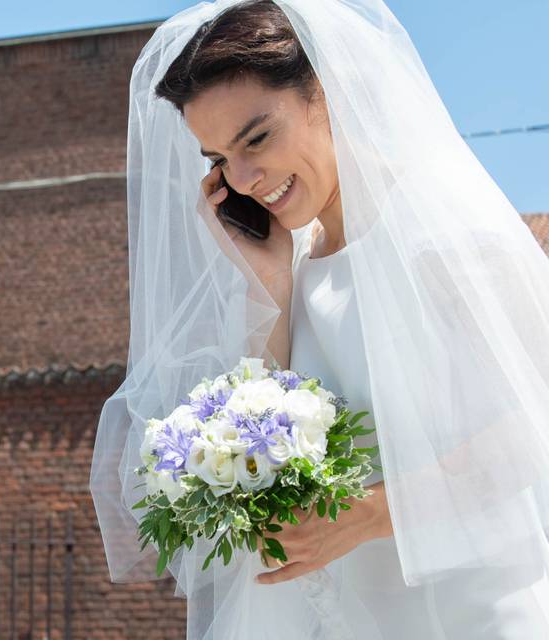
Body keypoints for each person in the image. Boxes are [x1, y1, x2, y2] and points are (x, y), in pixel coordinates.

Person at [89, 1, 549, 638]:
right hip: (340, 610)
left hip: (465, 607)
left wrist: (363, 515)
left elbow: (526, 435)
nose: (243, 179)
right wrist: (273, 278)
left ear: (327, 93)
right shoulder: (295, 260)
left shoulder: (444, 236)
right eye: (218, 157)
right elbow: (280, 409)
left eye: (256, 139)